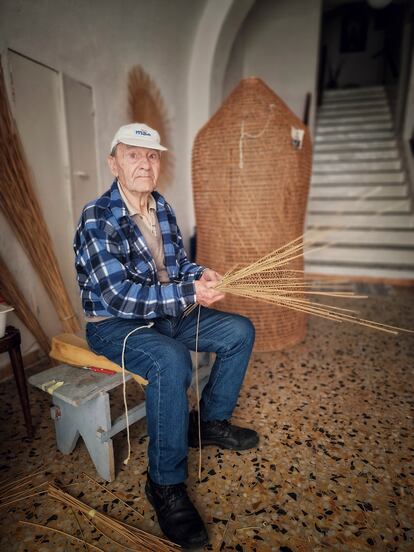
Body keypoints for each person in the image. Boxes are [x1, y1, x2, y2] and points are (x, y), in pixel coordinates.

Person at [74, 123, 258, 549]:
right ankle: (165, 484)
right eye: (133, 154)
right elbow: (118, 296)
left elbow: (178, 268)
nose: (144, 163)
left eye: (152, 155)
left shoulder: (162, 206)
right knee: (171, 360)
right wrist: (187, 292)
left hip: (167, 311)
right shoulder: (97, 217)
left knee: (239, 330)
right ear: (113, 163)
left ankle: (208, 422)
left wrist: (201, 275)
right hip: (114, 325)